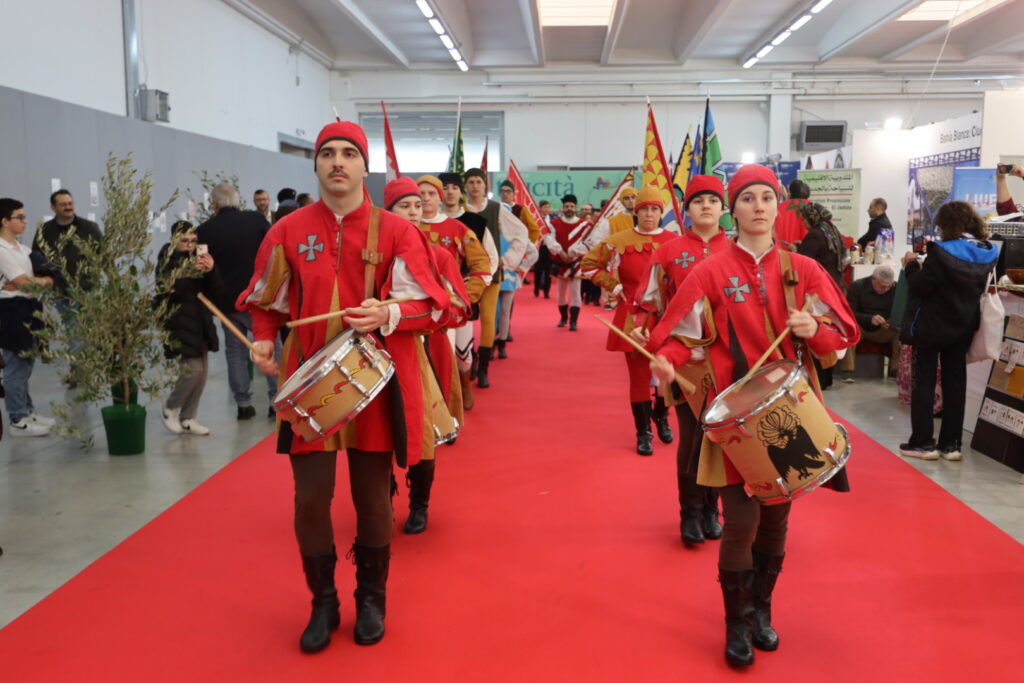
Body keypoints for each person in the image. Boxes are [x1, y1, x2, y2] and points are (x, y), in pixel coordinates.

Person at [242, 120, 449, 654]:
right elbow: (266, 300)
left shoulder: (397, 231)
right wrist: (262, 340)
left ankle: (371, 598)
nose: (338, 162)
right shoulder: (287, 230)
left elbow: (435, 306)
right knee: (310, 501)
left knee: (373, 501)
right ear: (315, 163)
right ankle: (323, 601)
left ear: (364, 166)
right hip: (309, 384)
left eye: (349, 154)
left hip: (373, 382)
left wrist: (388, 312)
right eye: (328, 153)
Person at [647, 165, 858, 668]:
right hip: (733, 416)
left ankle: (762, 608)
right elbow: (678, 334)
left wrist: (813, 328)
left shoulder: (803, 268)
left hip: (790, 411)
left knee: (776, 518)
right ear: (733, 209)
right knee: (741, 521)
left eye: (766, 197)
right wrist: (666, 361)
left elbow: (842, 332)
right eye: (747, 198)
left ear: (777, 206)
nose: (758, 206)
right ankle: (737, 623)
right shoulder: (710, 271)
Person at [633, 175, 730, 545]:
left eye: (713, 200)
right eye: (698, 201)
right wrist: (642, 328)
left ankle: (711, 509)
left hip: (728, 361)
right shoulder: (669, 251)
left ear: (723, 208)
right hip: (684, 357)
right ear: (686, 209)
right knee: (691, 438)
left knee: (719, 437)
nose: (706, 206)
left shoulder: (736, 250)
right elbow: (648, 301)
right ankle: (689, 513)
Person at [384, 176, 472, 534]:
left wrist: (435, 310)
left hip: (428, 349)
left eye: (418, 206)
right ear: (387, 212)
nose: (413, 212)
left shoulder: (439, 256)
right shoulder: (377, 258)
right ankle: (382, 498)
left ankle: (419, 503)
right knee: (381, 430)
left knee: (425, 429)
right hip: (381, 351)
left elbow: (461, 307)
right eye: (404, 206)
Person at [898, 201, 998, 461]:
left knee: (925, 381)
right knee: (956, 383)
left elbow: (920, 286)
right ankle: (951, 445)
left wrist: (911, 266)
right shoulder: (987, 251)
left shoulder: (941, 251)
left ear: (946, 224)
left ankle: (922, 442)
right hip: (964, 325)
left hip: (931, 325)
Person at [582, 186, 676, 455]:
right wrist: (614, 286)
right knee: (639, 377)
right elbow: (588, 264)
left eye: (655, 209)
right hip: (632, 318)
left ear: (661, 212)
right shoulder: (618, 240)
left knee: (665, 374)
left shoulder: (674, 241)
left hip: (667, 317)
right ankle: (643, 431)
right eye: (644, 209)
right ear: (636, 211)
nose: (649, 214)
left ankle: (662, 416)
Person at [196, 183, 278, 420]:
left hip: (227, 302)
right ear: (237, 201)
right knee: (270, 347)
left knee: (235, 352)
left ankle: (243, 404)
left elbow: (201, 267)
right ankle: (276, 402)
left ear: (214, 204)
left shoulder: (205, 230)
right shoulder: (256, 221)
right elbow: (275, 251)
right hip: (258, 299)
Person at [416, 174, 492, 409]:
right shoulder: (405, 227)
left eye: (431, 193)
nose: (426, 198)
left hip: (451, 303)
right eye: (421, 193)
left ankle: (464, 386)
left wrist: (465, 295)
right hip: (416, 302)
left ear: (439, 198)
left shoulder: (458, 228)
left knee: (461, 355)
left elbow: (482, 264)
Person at [462, 168, 530, 388]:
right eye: (471, 182)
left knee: (488, 319)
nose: (475, 186)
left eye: (478, 182)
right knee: (465, 320)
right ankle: (469, 362)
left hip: (491, 273)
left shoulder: (496, 208)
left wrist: (508, 259)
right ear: (466, 185)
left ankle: (483, 369)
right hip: (465, 274)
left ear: (485, 185)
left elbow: (521, 232)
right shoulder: (459, 209)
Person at [157, 221, 224, 436]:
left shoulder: (198, 259)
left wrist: (211, 270)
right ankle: (170, 407)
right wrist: (188, 271)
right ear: (173, 240)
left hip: (201, 322)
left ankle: (188, 417)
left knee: (202, 375)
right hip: (179, 324)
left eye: (193, 241)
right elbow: (168, 289)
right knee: (193, 371)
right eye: (184, 241)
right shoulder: (166, 260)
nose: (189, 245)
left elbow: (216, 291)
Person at [0, 198, 55, 436]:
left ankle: (27, 409)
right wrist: (34, 283)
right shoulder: (2, 250)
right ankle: (17, 418)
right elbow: (25, 283)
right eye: (19, 217)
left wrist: (39, 282)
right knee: (15, 364)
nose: (24, 221)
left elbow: (49, 280)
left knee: (27, 363)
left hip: (30, 306)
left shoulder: (23, 250)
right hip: (12, 309)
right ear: (5, 221)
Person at [30, 189, 103, 365]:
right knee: (74, 327)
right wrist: (40, 282)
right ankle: (79, 366)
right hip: (59, 290)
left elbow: (103, 255)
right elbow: (36, 257)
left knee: (79, 327)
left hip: (86, 288)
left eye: (70, 203)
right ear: (53, 207)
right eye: (63, 204)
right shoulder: (45, 231)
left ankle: (80, 366)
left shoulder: (89, 228)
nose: (68, 207)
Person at [796, 202, 849, 389]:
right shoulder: (832, 230)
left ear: (812, 218)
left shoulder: (815, 234)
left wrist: (794, 251)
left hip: (818, 292)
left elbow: (804, 262)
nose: (802, 222)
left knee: (818, 335)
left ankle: (819, 380)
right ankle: (827, 378)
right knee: (829, 332)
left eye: (804, 219)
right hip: (834, 288)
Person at [838, 266, 899, 383]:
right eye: (882, 286)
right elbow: (849, 313)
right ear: (873, 279)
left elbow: (899, 312)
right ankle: (847, 371)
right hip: (860, 327)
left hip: (882, 329)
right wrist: (869, 319)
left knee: (899, 333)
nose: (886, 289)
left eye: (889, 286)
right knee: (849, 329)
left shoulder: (895, 289)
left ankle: (895, 369)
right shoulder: (857, 286)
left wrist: (890, 321)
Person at [544, 194, 590, 330]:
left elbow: (587, 242)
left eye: (571, 206)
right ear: (563, 208)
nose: (569, 208)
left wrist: (574, 254)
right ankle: (564, 317)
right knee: (561, 293)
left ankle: (574, 321)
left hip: (576, 262)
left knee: (576, 292)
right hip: (560, 261)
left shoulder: (584, 225)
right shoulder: (554, 224)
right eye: (567, 206)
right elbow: (549, 240)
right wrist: (561, 252)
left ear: (575, 208)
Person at [773, 179, 811, 248]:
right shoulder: (815, 209)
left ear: (790, 193)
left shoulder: (778, 209)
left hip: (783, 252)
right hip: (810, 251)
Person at [533, 200, 553, 299]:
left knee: (548, 270)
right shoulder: (536, 218)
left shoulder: (553, 219)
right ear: (540, 208)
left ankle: (546, 291)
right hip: (539, 247)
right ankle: (536, 288)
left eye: (548, 207)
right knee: (538, 270)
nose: (547, 209)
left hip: (549, 248)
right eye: (545, 207)